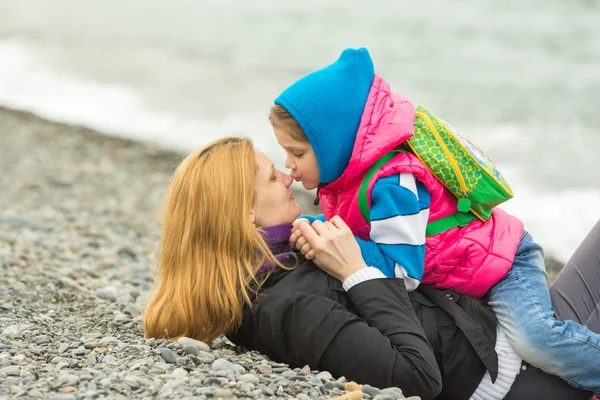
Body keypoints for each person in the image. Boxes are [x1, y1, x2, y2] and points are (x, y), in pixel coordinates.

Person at [143, 137, 597, 400]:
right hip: (521, 380)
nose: (287, 176)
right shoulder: (287, 307)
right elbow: (416, 377)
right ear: (245, 218)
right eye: (270, 177)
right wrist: (358, 273)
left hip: (508, 333)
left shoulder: (292, 255)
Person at [269, 47, 600, 395]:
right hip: (465, 269)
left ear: (333, 144)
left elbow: (403, 271)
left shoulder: (393, 184)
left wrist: (332, 243)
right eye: (286, 153)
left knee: (537, 340)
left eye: (298, 153)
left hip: (503, 263)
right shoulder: (344, 180)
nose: (289, 165)